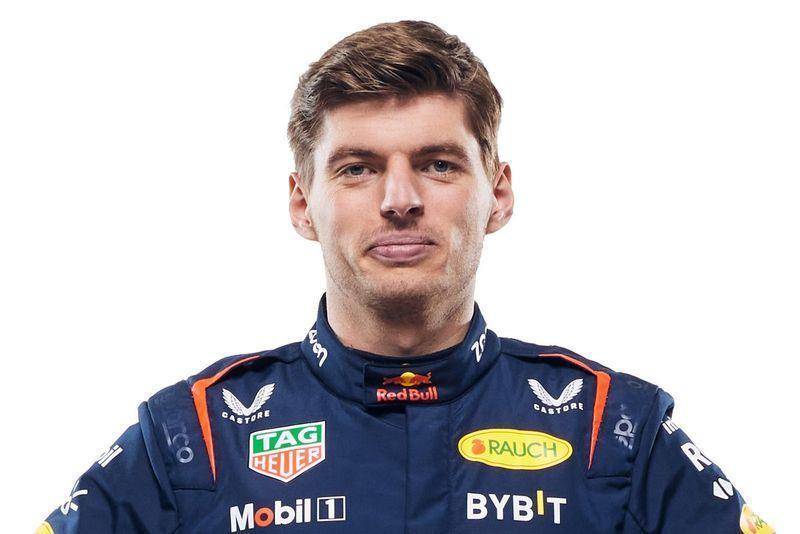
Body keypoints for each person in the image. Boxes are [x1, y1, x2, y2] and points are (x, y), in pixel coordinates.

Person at [36, 19, 773, 534]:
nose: (399, 199)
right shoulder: (191, 439)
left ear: (498, 194)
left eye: (438, 164)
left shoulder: (613, 431)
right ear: (302, 202)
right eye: (357, 169)